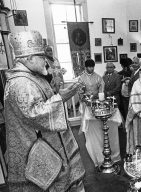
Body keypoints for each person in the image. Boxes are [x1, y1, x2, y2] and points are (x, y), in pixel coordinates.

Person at [5, 30, 85, 192]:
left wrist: (59, 95)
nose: (46, 62)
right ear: (29, 58)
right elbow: (35, 114)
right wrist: (61, 98)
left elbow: (43, 102)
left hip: (49, 147)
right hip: (38, 151)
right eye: (41, 57)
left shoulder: (32, 77)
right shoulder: (21, 83)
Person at [79, 60, 122, 167]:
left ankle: (103, 148)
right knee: (88, 124)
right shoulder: (81, 78)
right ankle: (90, 140)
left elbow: (101, 88)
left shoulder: (98, 77)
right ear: (86, 67)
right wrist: (84, 97)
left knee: (101, 124)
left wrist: (99, 96)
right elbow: (80, 91)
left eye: (92, 67)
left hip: (96, 102)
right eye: (89, 67)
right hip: (86, 104)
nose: (91, 69)